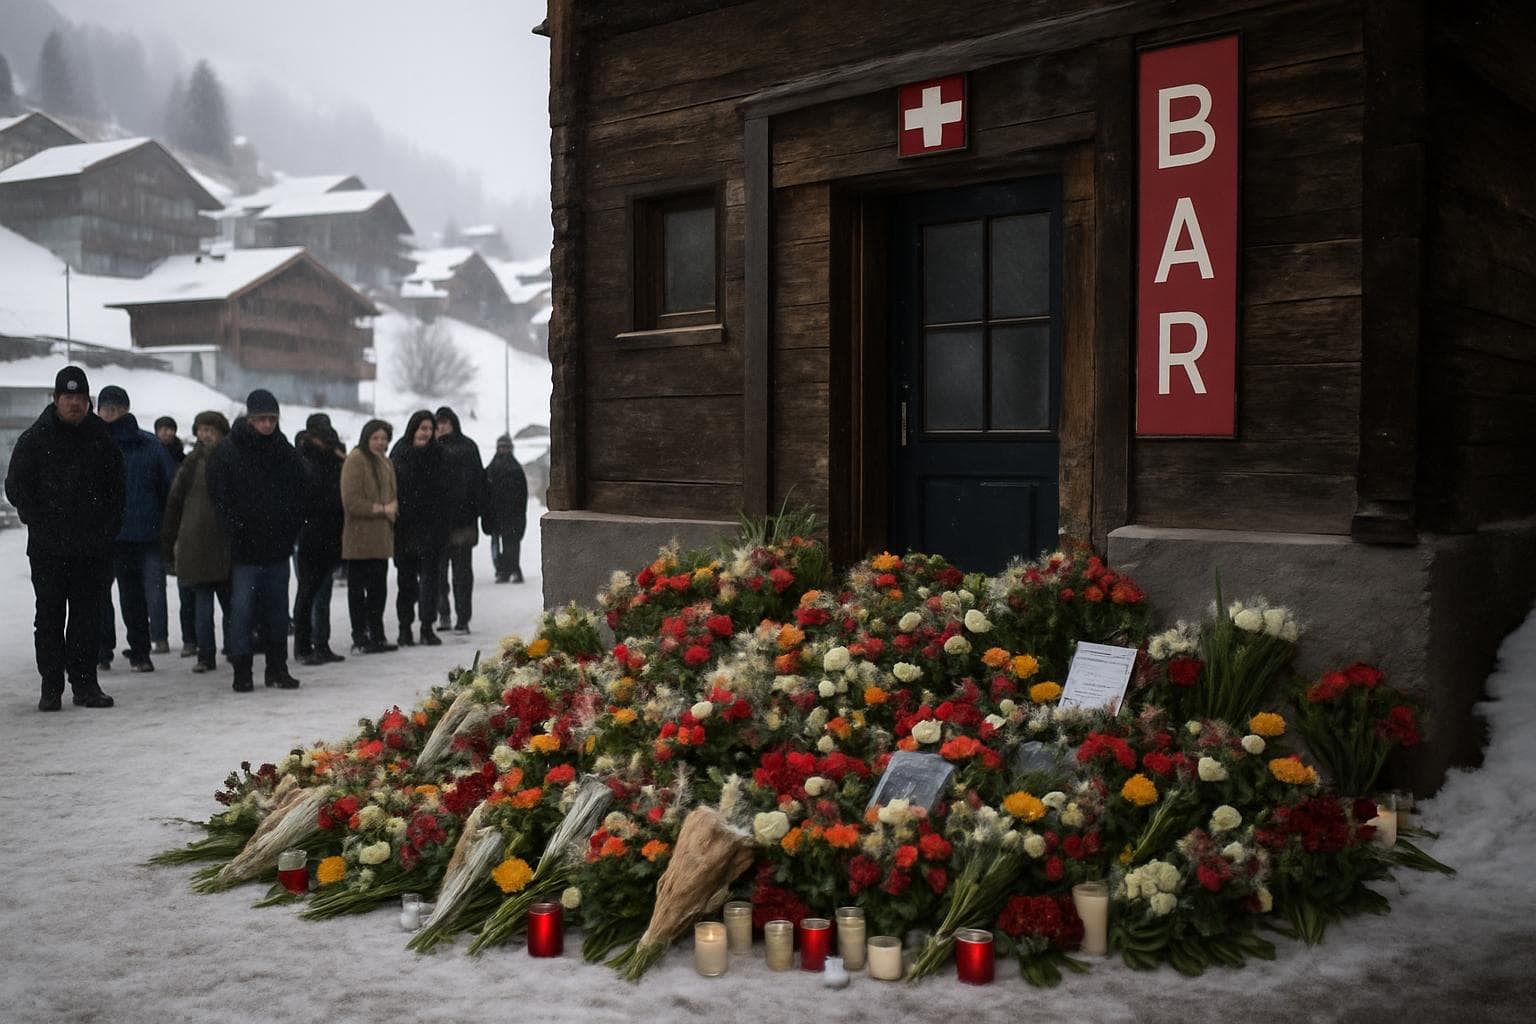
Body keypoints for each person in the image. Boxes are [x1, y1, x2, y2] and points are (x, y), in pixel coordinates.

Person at [4, 366, 124, 710]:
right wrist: (38, 519)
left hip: (92, 548)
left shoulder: (101, 438)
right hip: (49, 548)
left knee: (87, 618)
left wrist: (108, 528)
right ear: (55, 399)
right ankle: (51, 686)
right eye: (68, 397)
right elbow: (16, 487)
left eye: (80, 397)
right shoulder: (35, 438)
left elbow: (117, 490)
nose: (75, 403)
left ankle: (86, 686)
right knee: (50, 617)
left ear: (89, 401)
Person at [206, 389, 308, 692]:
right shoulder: (227, 451)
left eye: (272, 419)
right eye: (261, 419)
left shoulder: (283, 450)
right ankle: (242, 671)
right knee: (242, 613)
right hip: (243, 552)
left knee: (278, 613)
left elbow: (300, 491)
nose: (267, 425)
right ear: (250, 419)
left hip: (277, 548)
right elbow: (219, 498)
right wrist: (236, 530)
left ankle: (277, 668)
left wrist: (291, 528)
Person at [96, 385, 177, 673]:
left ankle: (140, 651)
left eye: (115, 409)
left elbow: (172, 486)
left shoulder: (149, 445)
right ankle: (101, 650)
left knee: (135, 598)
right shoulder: (91, 444)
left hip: (143, 533)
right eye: (105, 409)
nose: (110, 414)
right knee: (97, 596)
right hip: (102, 534)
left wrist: (166, 525)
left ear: (127, 410)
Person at [160, 411, 233, 674]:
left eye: (210, 428)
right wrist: (168, 542)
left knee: (227, 604)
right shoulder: (193, 462)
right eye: (202, 429)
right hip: (199, 543)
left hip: (220, 543)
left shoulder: (217, 460)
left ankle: (223, 652)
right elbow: (175, 502)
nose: (206, 434)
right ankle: (210, 654)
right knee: (208, 604)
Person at [390, 410, 449, 647]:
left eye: (429, 429)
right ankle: (405, 628)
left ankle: (427, 626)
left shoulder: (439, 455)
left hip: (432, 530)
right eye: (422, 428)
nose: (425, 433)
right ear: (413, 428)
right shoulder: (399, 453)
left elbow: (447, 491)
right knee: (406, 583)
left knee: (430, 583)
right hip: (404, 530)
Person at [294, 413, 347, 667]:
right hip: (309, 533)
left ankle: (321, 643)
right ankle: (303, 646)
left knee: (322, 593)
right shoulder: (302, 458)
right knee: (307, 593)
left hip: (330, 531)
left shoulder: (335, 457)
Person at [340, 419, 398, 654]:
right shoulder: (356, 460)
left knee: (378, 590)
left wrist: (392, 508)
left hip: (381, 539)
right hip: (360, 539)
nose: (380, 443)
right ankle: (360, 636)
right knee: (358, 590)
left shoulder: (385, 461)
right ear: (366, 438)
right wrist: (382, 509)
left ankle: (377, 633)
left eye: (384, 438)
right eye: (375, 438)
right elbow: (351, 502)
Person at [432, 405, 484, 634]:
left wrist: (476, 510)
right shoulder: (429, 450)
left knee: (462, 575)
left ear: (453, 423)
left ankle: (463, 617)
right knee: (438, 574)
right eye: (438, 423)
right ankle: (443, 614)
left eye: (445, 422)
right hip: (437, 524)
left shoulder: (467, 447)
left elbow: (479, 483)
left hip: (463, 521)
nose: (441, 427)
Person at [484, 434, 528, 584]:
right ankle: (502, 571)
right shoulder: (491, 469)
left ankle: (514, 570)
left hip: (513, 515)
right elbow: (485, 491)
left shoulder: (515, 470)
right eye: (500, 447)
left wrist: (519, 513)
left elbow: (522, 495)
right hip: (496, 514)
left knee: (512, 544)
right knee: (498, 545)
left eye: (505, 447)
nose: (503, 449)